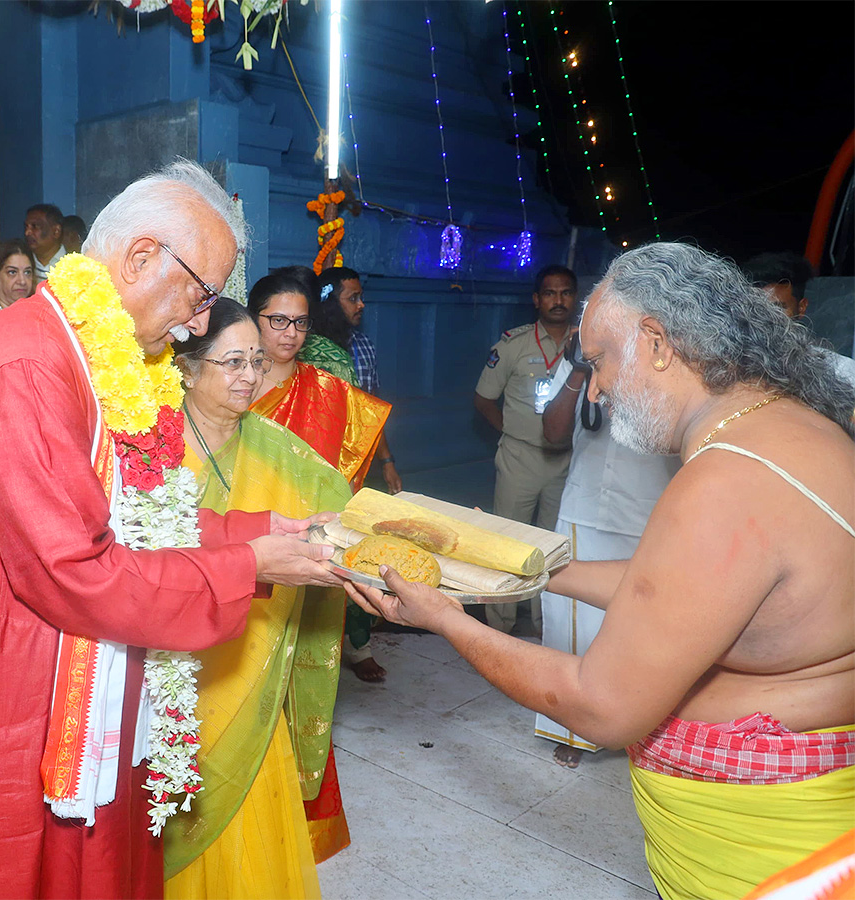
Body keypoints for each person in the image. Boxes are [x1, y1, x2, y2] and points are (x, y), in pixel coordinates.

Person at [345, 242, 855, 900]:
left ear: (657, 342)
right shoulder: (800, 426)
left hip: (760, 851)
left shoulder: (725, 482)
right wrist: (527, 568)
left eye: (601, 361)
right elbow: (680, 597)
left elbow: (601, 706)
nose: (599, 386)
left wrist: (445, 617)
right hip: (806, 807)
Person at [0, 159, 342, 900]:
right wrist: (247, 566)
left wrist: (271, 533)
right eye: (203, 296)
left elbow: (138, 514)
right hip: (10, 710)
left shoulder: (90, 358)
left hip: (82, 686)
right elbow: (78, 570)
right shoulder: (28, 370)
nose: (201, 323)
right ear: (140, 257)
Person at [164, 298, 351, 900]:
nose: (249, 376)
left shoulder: (281, 452)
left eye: (255, 362)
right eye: (232, 362)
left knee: (248, 783)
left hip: (251, 655)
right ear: (188, 368)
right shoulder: (148, 443)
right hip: (169, 657)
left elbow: (327, 512)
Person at [247, 267, 390, 854]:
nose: (288, 333)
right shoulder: (223, 381)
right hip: (242, 555)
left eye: (299, 322)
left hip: (307, 558)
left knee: (301, 685)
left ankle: (301, 818)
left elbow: (344, 482)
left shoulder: (328, 394)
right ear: (252, 319)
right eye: (276, 320)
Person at [533, 326, 678, 768]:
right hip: (584, 504)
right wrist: (581, 367)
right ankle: (573, 728)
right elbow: (553, 432)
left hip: (650, 511)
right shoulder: (579, 362)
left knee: (639, 626)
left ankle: (641, 728)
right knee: (570, 626)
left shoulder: (672, 363)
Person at [473, 263, 576, 634]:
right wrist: (510, 432)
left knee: (554, 548)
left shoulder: (586, 346)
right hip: (520, 457)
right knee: (508, 543)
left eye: (565, 292)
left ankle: (545, 624)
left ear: (574, 298)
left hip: (566, 461)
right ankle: (499, 626)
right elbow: (484, 399)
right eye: (550, 293)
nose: (558, 300)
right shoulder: (513, 345)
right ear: (536, 299)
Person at [312, 266, 403, 495]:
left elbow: (370, 412)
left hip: (359, 461)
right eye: (353, 298)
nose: (361, 305)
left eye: (361, 297)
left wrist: (386, 461)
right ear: (330, 303)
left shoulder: (364, 345)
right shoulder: (306, 347)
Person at [743, 251, 855, 389]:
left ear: (801, 307)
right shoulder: (727, 371)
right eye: (757, 309)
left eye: (778, 309)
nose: (766, 318)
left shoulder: (839, 372)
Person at [24, 202, 65, 281]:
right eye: (26, 227)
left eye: (35, 226)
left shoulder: (74, 267)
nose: (27, 232)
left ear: (56, 231)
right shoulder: (23, 264)